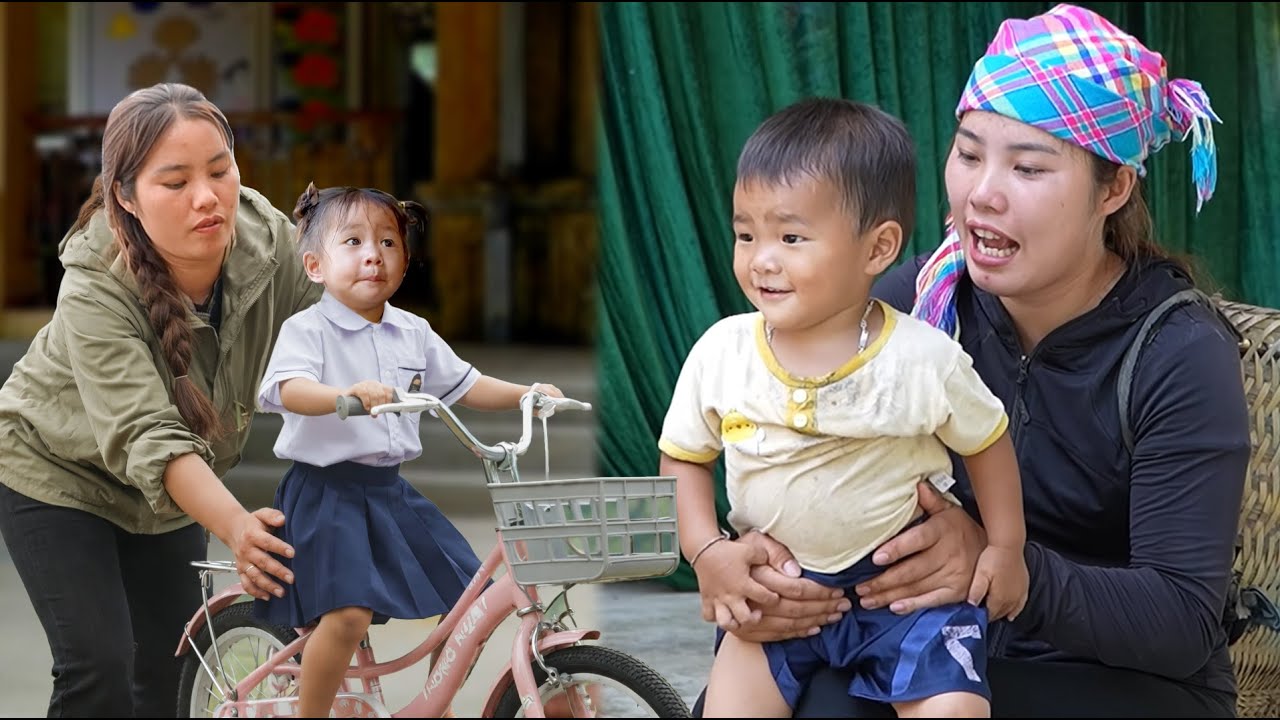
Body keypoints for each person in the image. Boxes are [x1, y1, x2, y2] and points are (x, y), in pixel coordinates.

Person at [701, 5, 1251, 718]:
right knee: (800, 683)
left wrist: (999, 564)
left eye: (1027, 166)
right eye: (968, 153)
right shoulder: (907, 309)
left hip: (1129, 685)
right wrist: (757, 575)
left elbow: (1180, 621)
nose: (981, 194)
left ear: (1112, 190)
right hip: (936, 642)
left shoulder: (1178, 355)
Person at [660, 97, 1028, 718]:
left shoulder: (922, 358)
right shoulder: (722, 352)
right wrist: (707, 552)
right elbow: (684, 459)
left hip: (911, 602)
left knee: (956, 711)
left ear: (878, 248)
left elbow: (988, 441)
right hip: (778, 599)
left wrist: (1005, 548)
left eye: (791, 236)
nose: (761, 258)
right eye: (745, 233)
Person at [0, 82, 322, 717]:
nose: (207, 197)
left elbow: (344, 329)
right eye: (174, 183)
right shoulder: (95, 283)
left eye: (220, 170)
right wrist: (236, 527)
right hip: (56, 473)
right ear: (126, 195)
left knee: (171, 672)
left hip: (168, 498)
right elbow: (148, 434)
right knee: (100, 667)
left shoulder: (271, 242)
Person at [251, 182, 564, 718]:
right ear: (314, 266)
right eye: (352, 242)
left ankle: (432, 703)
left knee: (466, 603)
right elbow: (285, 389)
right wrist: (341, 397)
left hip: (388, 492)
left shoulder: (411, 331)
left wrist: (525, 394)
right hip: (326, 495)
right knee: (347, 615)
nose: (374, 254)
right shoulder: (308, 329)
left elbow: (466, 385)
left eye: (388, 243)